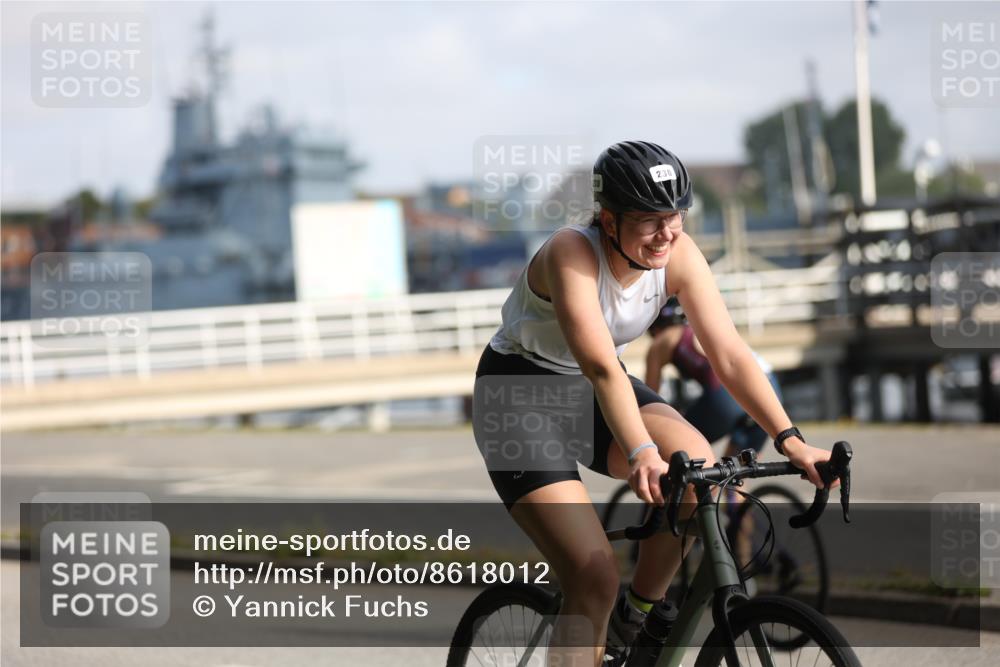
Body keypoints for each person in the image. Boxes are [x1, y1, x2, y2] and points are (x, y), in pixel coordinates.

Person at [473, 140, 832, 667]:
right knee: (593, 576)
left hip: (591, 389)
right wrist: (641, 451)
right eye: (648, 220)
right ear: (609, 220)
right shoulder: (571, 253)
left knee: (697, 466)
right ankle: (602, 606)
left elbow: (729, 355)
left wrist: (791, 440)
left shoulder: (677, 253)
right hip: (518, 397)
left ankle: (637, 614)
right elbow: (601, 366)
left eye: (675, 216)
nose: (666, 233)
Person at [644, 300, 783, 461]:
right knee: (739, 467)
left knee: (675, 449)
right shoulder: (705, 328)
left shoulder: (661, 342)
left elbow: (650, 398)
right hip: (769, 387)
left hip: (727, 394)